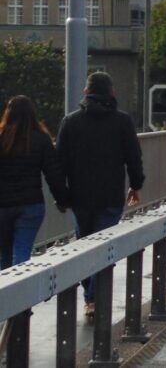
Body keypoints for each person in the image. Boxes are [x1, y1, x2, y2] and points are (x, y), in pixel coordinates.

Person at [56, 71, 144, 321]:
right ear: (112, 93)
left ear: (86, 92)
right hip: (110, 196)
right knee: (103, 245)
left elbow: (59, 163)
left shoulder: (70, 122)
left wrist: (62, 197)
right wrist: (135, 185)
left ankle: (91, 296)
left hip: (80, 197)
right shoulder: (122, 122)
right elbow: (133, 157)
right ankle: (94, 296)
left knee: (84, 244)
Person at [0, 96, 68, 269]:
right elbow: (53, 174)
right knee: (22, 251)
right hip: (30, 204)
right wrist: (62, 200)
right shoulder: (41, 139)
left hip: (3, 205)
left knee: (3, 254)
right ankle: (21, 283)